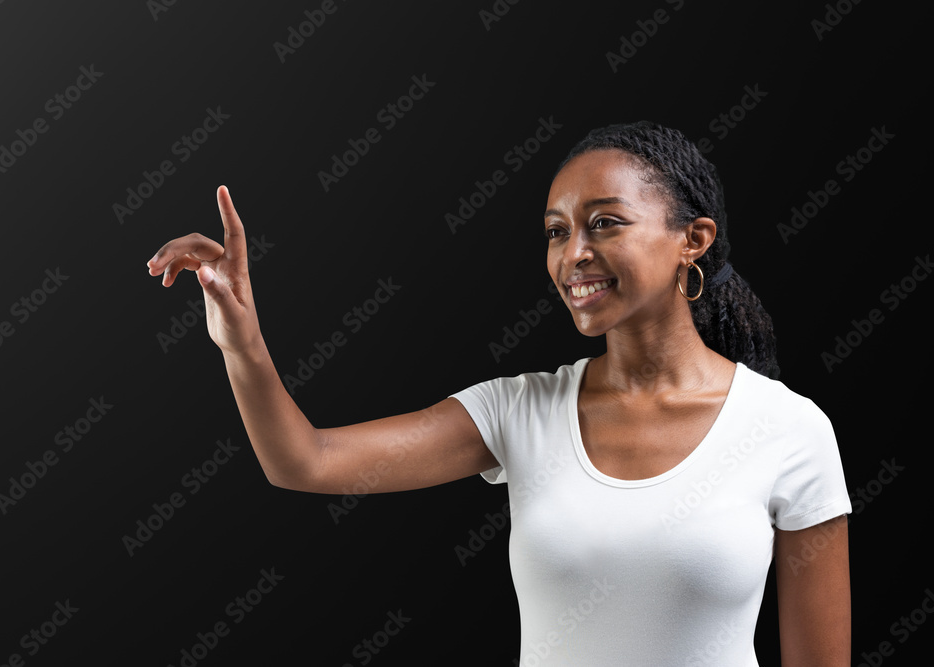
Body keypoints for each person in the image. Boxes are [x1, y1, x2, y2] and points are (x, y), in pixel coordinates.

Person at [146, 120, 851, 665]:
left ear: (692, 239)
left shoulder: (789, 431)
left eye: (606, 222)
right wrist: (242, 342)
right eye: (556, 231)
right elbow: (305, 460)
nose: (573, 253)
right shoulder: (519, 412)